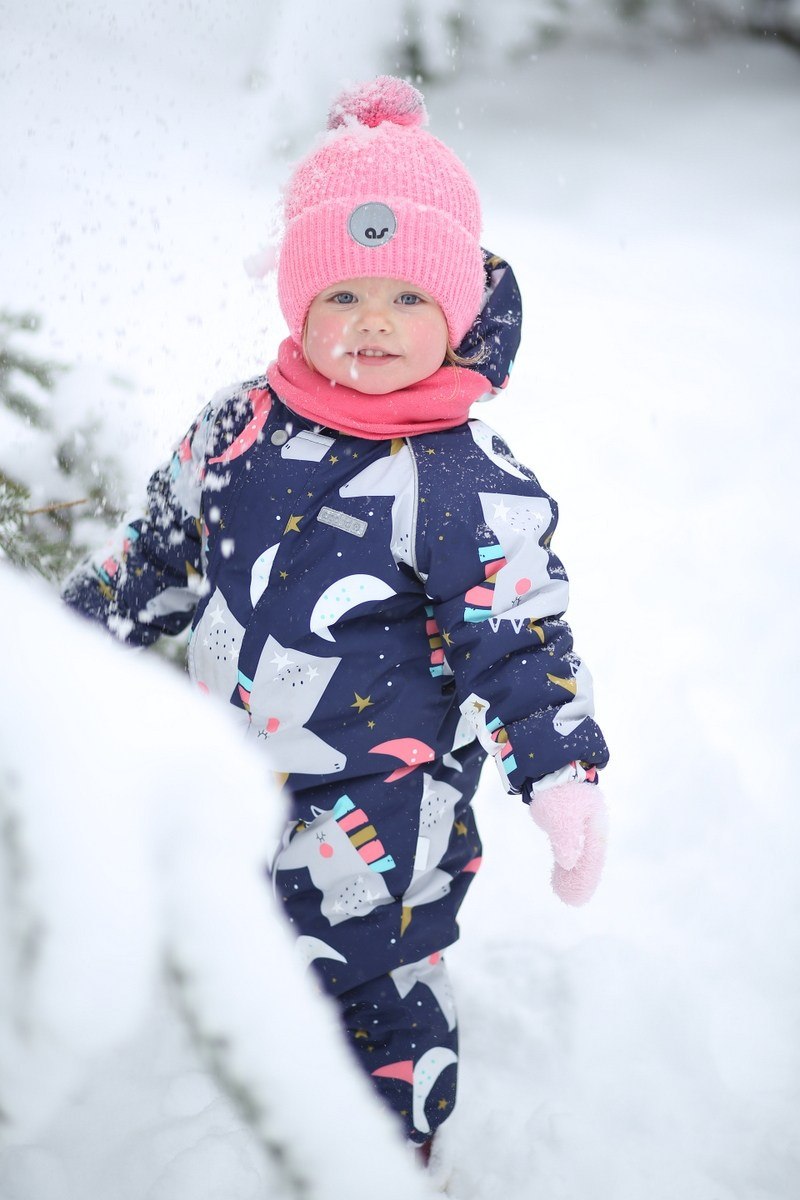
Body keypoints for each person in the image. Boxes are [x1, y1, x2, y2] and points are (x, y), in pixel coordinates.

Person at [63, 75, 610, 1156]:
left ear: (452, 314)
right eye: (343, 295)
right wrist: (61, 642)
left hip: (384, 805)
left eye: (408, 298)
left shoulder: (459, 481)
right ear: (298, 304)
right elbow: (156, 556)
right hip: (235, 773)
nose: (373, 323)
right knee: (257, 941)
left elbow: (520, 634)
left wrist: (558, 772)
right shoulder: (235, 423)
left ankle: (384, 1154)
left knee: (371, 976)